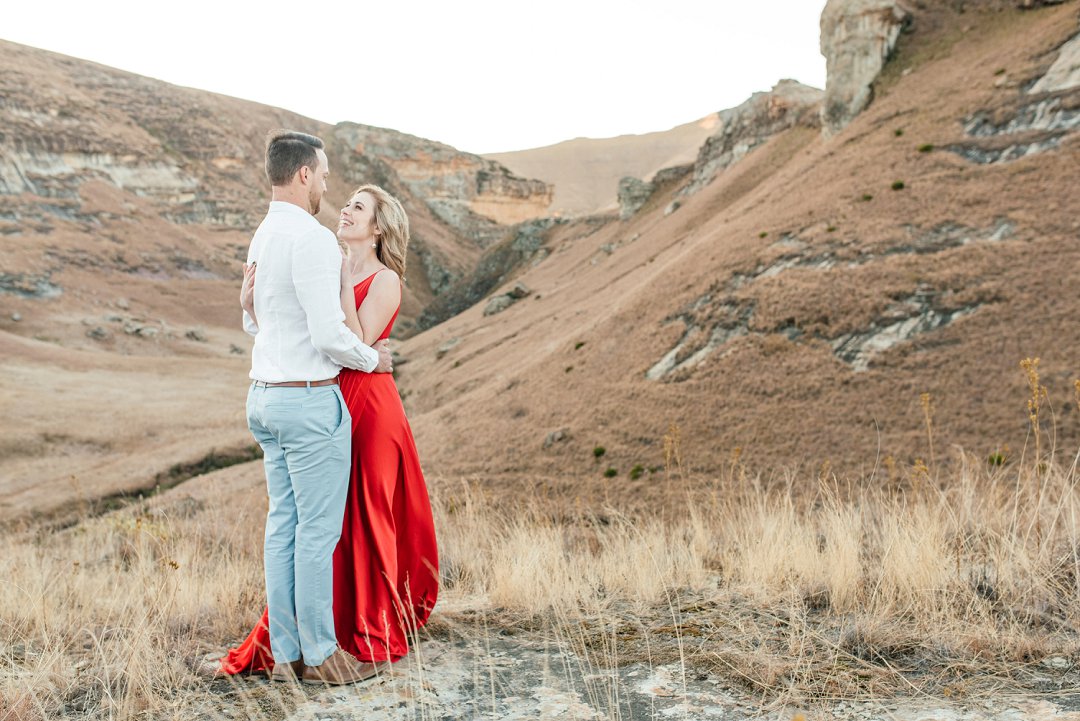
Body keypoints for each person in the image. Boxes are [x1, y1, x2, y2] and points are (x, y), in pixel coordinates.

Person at [215, 182, 439, 682]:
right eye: (347, 203)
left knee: (365, 512)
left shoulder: (385, 280)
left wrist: (340, 286)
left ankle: (367, 620)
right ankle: (317, 633)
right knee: (323, 522)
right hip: (327, 397)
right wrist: (253, 305)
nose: (346, 210)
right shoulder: (324, 260)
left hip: (370, 408)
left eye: (358, 208)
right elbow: (296, 325)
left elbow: (356, 341)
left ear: (378, 227)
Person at [227, 130, 394, 686]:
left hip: (263, 398)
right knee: (318, 533)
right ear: (303, 175)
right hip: (306, 401)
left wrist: (248, 308)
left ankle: (283, 656)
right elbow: (328, 334)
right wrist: (373, 363)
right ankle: (321, 656)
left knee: (283, 530)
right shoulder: (315, 240)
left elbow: (256, 319)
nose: (326, 184)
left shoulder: (263, 234)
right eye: (322, 174)